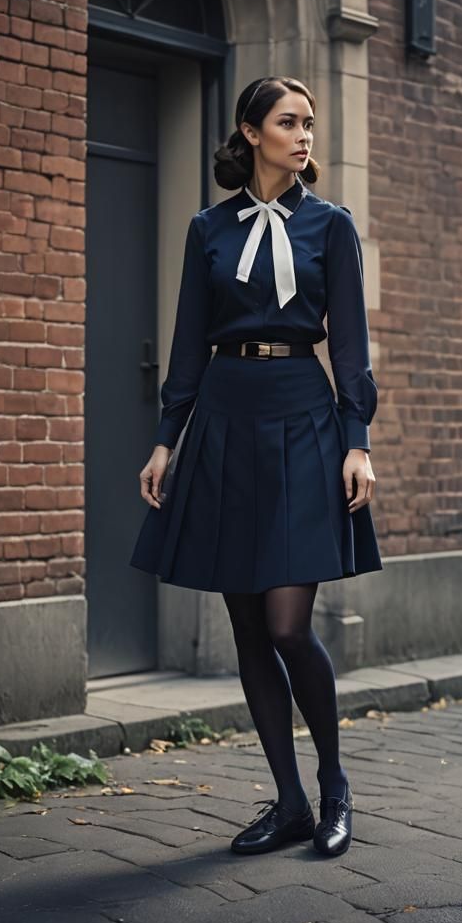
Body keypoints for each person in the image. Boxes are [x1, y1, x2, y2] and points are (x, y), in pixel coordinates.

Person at [129, 75, 381, 858]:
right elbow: (188, 340)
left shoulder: (332, 226)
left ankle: (336, 783)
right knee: (246, 626)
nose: (304, 135)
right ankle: (290, 801)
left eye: (309, 123)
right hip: (228, 417)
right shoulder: (208, 229)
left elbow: (349, 346)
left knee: (287, 624)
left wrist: (357, 439)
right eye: (288, 122)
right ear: (250, 132)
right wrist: (167, 436)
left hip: (304, 413)